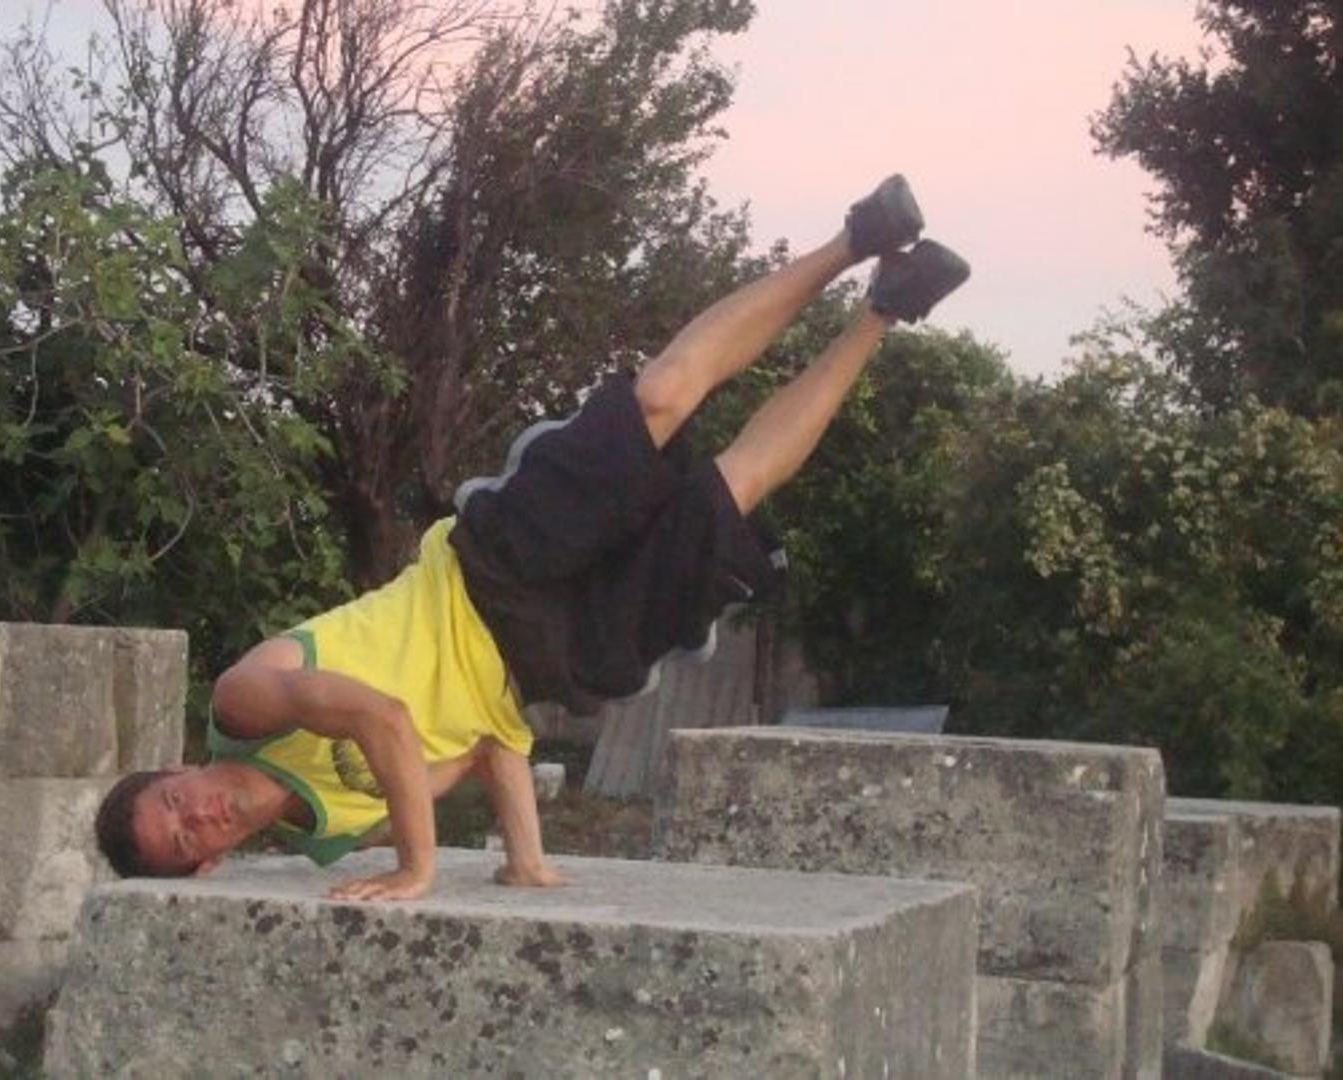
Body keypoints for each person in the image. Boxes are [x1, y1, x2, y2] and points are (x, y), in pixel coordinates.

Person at [94, 175, 970, 901]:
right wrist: (525, 857)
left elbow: (379, 717)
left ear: (178, 769)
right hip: (548, 660)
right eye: (184, 840)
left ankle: (854, 239)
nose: (196, 816)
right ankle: (884, 310)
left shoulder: (244, 705)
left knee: (660, 399)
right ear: (206, 867)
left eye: (174, 802)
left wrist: (417, 868)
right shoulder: (332, 833)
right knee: (732, 492)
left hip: (487, 573)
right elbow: (481, 742)